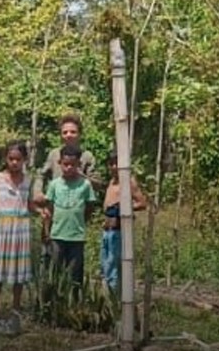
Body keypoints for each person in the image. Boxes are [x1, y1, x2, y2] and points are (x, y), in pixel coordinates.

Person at [34, 144, 95, 295]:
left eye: (72, 165)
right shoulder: (54, 185)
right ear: (60, 163)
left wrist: (81, 221)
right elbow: (49, 208)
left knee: (75, 275)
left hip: (76, 237)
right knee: (54, 273)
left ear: (79, 165)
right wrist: (46, 231)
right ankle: (53, 305)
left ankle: (74, 305)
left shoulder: (85, 185)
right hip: (56, 236)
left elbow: (90, 206)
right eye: (65, 164)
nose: (68, 168)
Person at [0, 141, 36, 313]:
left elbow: (30, 205)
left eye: (18, 159)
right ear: (6, 159)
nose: (14, 162)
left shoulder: (28, 181)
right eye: (11, 159)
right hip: (3, 228)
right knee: (0, 266)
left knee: (19, 269)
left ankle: (16, 305)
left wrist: (42, 211)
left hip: (21, 229)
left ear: (24, 160)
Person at [99, 154, 148, 294]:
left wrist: (123, 209)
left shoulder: (128, 182)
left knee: (113, 266)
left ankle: (115, 299)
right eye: (111, 164)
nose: (114, 167)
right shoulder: (112, 182)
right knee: (105, 265)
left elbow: (142, 203)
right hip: (107, 230)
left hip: (119, 230)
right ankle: (108, 297)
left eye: (117, 164)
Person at [36, 113, 99, 193]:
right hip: (58, 201)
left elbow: (97, 184)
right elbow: (41, 175)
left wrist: (80, 176)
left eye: (73, 132)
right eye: (65, 132)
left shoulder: (87, 156)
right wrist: (38, 192)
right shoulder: (54, 154)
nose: (68, 135)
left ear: (80, 134)